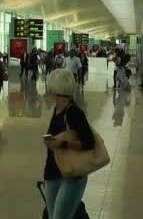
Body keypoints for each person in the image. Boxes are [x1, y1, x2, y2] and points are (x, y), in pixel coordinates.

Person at [44, 68, 94, 218]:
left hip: (72, 175)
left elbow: (89, 142)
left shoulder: (74, 112)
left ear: (56, 90)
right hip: (53, 172)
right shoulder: (57, 109)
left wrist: (63, 144)